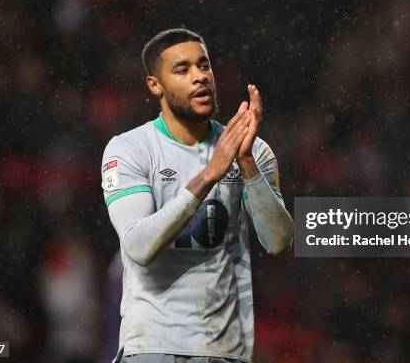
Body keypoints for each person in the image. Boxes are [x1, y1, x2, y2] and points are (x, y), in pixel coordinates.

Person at [101, 28, 294, 363]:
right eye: (182, 69)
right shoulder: (130, 149)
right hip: (152, 348)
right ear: (154, 86)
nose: (199, 77)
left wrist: (245, 163)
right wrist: (209, 174)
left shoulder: (251, 149)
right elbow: (138, 247)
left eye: (204, 66)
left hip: (225, 351)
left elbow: (278, 241)